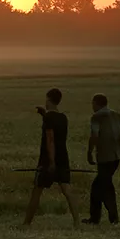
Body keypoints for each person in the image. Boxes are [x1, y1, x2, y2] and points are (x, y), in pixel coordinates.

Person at [23, 87, 82, 228]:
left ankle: (26, 223)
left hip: (48, 159)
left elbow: (50, 139)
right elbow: (54, 124)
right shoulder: (63, 117)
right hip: (63, 156)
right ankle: (77, 222)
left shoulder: (49, 118)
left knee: (37, 190)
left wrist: (51, 161)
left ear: (49, 99)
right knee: (67, 190)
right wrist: (44, 114)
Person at [84, 93, 120, 225]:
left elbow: (94, 135)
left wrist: (89, 152)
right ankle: (110, 217)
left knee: (99, 187)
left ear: (96, 103)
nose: (92, 106)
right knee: (106, 185)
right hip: (117, 156)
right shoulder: (116, 114)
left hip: (104, 157)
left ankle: (100, 218)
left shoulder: (96, 117)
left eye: (93, 103)